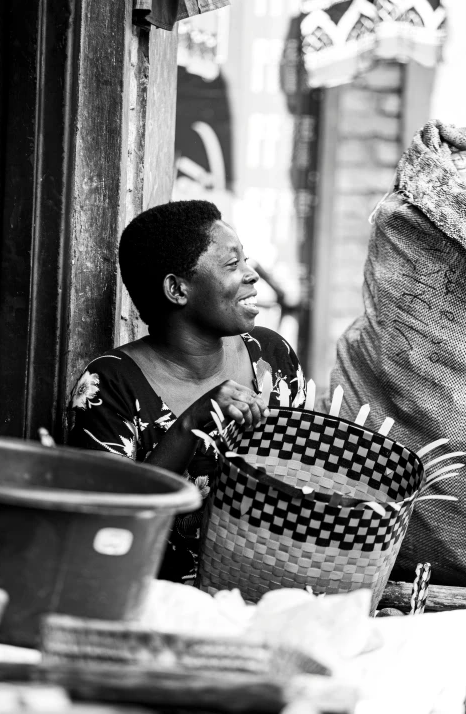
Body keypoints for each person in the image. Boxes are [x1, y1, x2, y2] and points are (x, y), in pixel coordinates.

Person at [69, 200, 306, 583]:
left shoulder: (272, 359)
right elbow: (112, 523)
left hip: (271, 590)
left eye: (245, 260)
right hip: (153, 601)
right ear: (177, 289)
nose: (251, 275)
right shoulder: (109, 385)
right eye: (232, 264)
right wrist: (193, 421)